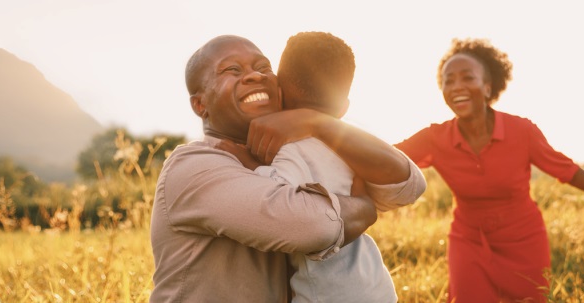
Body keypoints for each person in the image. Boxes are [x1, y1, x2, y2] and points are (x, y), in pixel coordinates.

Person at [150, 35, 416, 302]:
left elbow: (407, 185)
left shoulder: (293, 152)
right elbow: (314, 227)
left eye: (263, 67)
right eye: (233, 69)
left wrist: (317, 123)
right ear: (200, 104)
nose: (255, 75)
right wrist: (364, 208)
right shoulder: (193, 166)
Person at [394, 38, 584, 302]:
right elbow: (386, 157)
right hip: (469, 242)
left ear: (488, 87)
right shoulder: (435, 138)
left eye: (467, 77)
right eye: (448, 81)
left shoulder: (521, 131)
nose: (456, 86)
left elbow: (567, 170)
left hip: (524, 242)